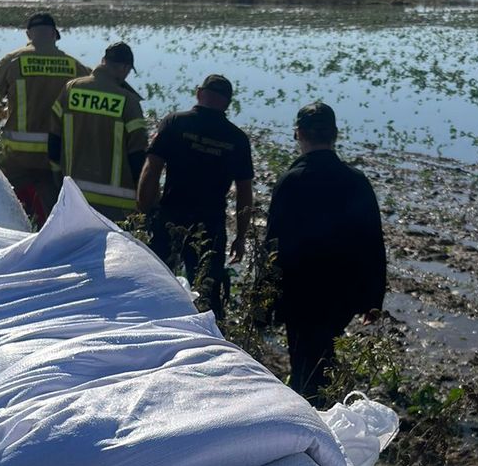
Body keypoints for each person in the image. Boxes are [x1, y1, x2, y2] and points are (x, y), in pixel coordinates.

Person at [265, 100, 386, 404]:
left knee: (305, 356)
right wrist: (374, 298)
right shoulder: (356, 181)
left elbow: (273, 244)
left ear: (298, 134)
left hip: (300, 290)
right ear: (335, 135)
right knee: (324, 347)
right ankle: (323, 400)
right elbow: (373, 241)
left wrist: (265, 297)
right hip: (342, 292)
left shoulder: (291, 180)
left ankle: (312, 409)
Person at [136, 73, 253, 318]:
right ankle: (209, 337)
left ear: (199, 93)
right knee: (207, 293)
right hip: (210, 224)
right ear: (227, 103)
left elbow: (151, 169)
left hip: (170, 216)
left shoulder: (175, 123)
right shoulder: (237, 138)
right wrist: (241, 236)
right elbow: (244, 192)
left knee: (157, 283)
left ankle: (153, 325)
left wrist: (144, 210)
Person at [0, 12, 87, 223]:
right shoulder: (74, 67)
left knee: (1, 212)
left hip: (16, 159)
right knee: (55, 219)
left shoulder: (14, 61)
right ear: (54, 34)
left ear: (29, 34)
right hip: (56, 159)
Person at [54, 43, 149, 221]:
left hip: (74, 194)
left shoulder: (71, 88)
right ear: (124, 67)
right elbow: (138, 154)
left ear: (103, 61)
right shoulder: (128, 101)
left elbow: (54, 139)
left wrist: (56, 178)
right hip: (115, 202)